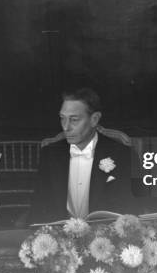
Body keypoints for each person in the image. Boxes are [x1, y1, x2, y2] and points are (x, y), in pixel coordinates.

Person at [29, 88, 137, 224]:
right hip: (60, 238)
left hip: (104, 238)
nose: (66, 127)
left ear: (94, 119)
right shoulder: (50, 154)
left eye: (74, 120)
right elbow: (39, 207)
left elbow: (129, 210)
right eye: (62, 118)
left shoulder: (122, 154)